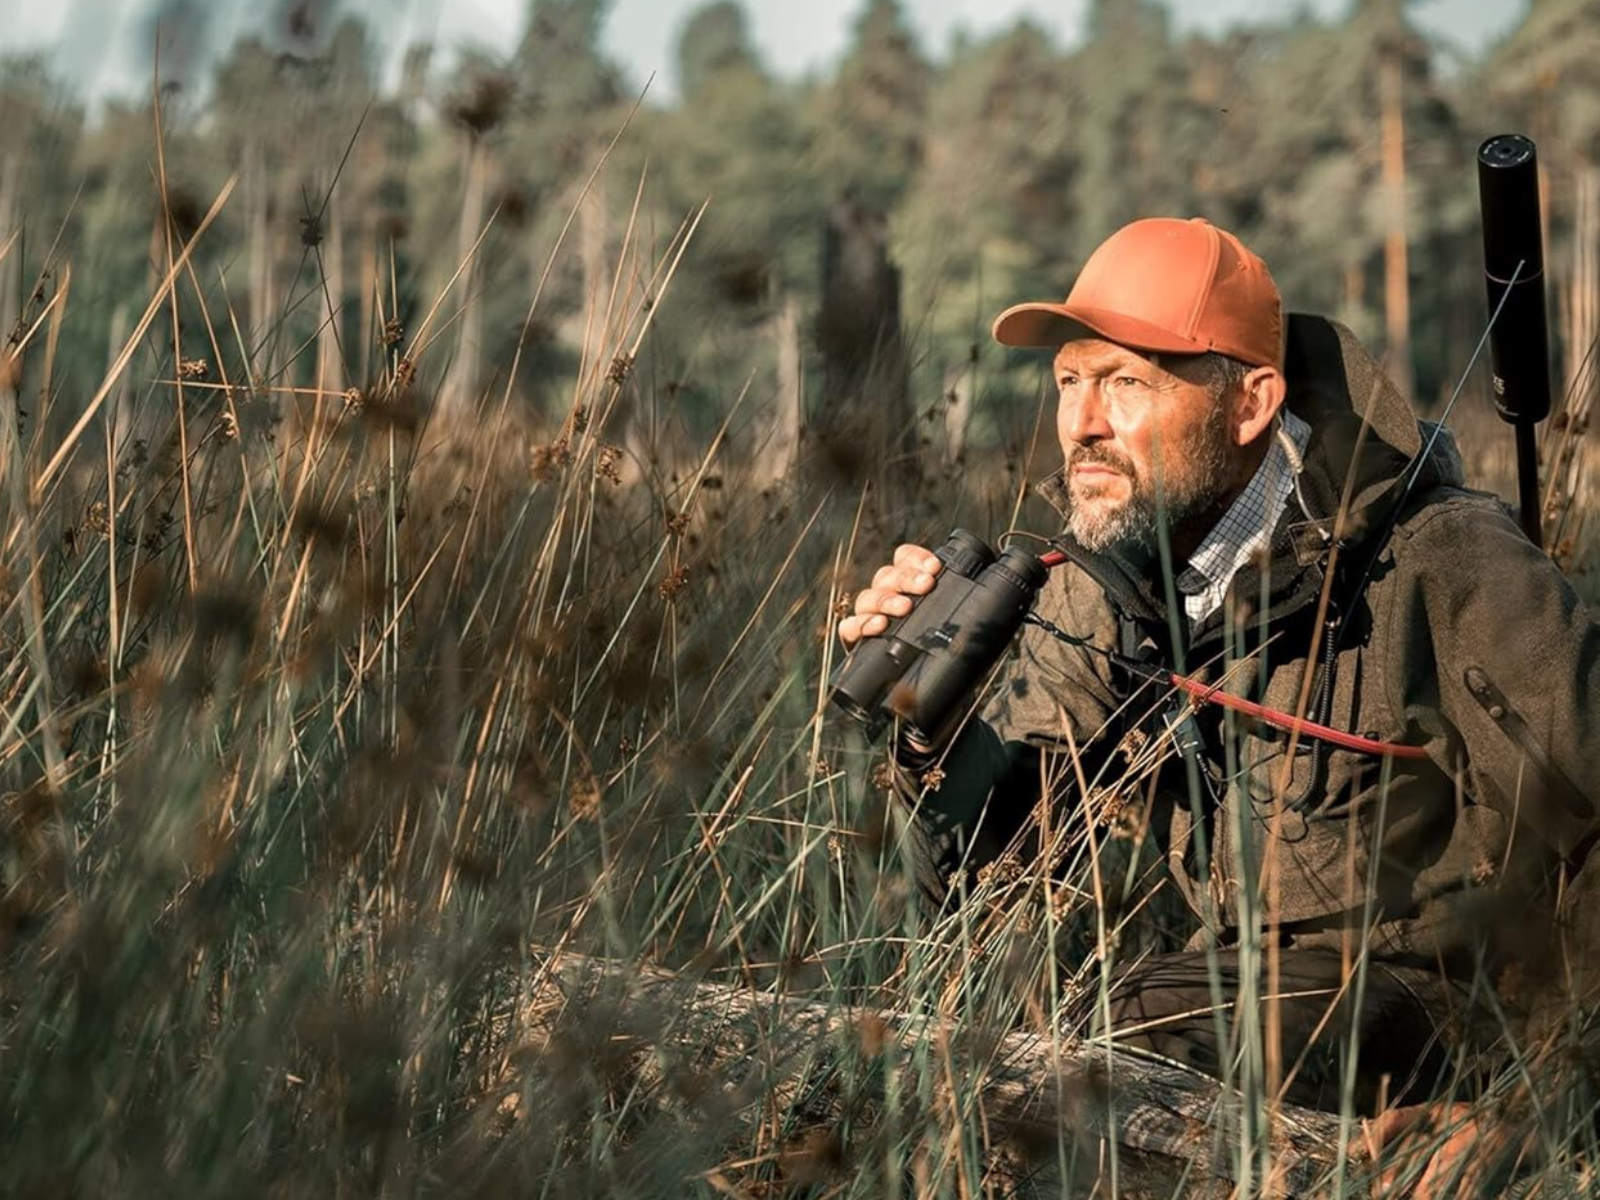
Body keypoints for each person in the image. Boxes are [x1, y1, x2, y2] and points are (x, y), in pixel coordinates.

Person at [836, 216, 1600, 1195]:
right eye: (1069, 380)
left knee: (1118, 1045)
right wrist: (929, 724)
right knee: (987, 1067)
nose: (1080, 421)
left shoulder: (1445, 561)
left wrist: (1530, 1101)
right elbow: (996, 882)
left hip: (1456, 1008)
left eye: (1126, 382)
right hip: (1239, 1003)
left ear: (1249, 407)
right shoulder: (1103, 584)